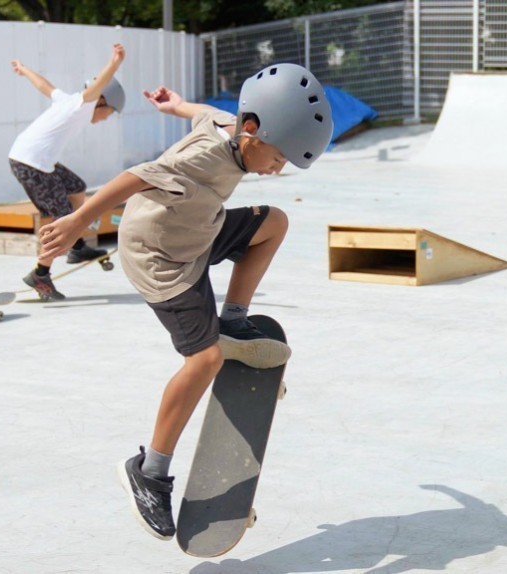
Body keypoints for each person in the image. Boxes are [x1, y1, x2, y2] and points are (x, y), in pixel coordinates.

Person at [36, 63, 334, 540]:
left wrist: (175, 105)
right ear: (254, 132)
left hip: (197, 232)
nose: (277, 170)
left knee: (273, 222)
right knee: (204, 359)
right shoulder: (205, 155)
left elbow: (203, 112)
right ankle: (149, 471)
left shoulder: (231, 125)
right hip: (160, 258)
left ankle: (232, 320)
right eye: (278, 159)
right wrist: (78, 222)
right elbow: (133, 177)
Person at [8, 43, 127, 301]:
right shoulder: (83, 104)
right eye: (110, 112)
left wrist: (25, 70)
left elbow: (44, 86)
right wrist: (114, 64)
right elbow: (97, 88)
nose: (107, 118)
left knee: (77, 187)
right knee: (62, 220)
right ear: (101, 101)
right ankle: (40, 273)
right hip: (31, 164)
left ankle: (77, 247)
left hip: (35, 160)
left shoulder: (67, 100)